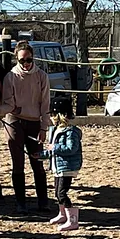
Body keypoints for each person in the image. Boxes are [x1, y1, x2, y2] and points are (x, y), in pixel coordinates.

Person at [0, 40, 51, 214]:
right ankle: (21, 202)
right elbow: (9, 104)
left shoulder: (41, 76)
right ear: (16, 60)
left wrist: (44, 128)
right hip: (15, 121)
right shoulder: (10, 77)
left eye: (28, 60)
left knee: (37, 162)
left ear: (32, 58)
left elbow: (45, 105)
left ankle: (43, 201)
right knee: (18, 163)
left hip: (35, 122)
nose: (26, 64)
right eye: (22, 61)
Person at [34, 96, 83, 231]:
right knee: (57, 192)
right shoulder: (55, 130)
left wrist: (54, 148)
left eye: (54, 115)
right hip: (57, 166)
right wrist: (41, 155)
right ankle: (62, 214)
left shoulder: (70, 132)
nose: (52, 118)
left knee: (62, 193)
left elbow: (71, 149)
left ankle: (73, 221)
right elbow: (52, 149)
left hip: (66, 167)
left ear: (61, 115)